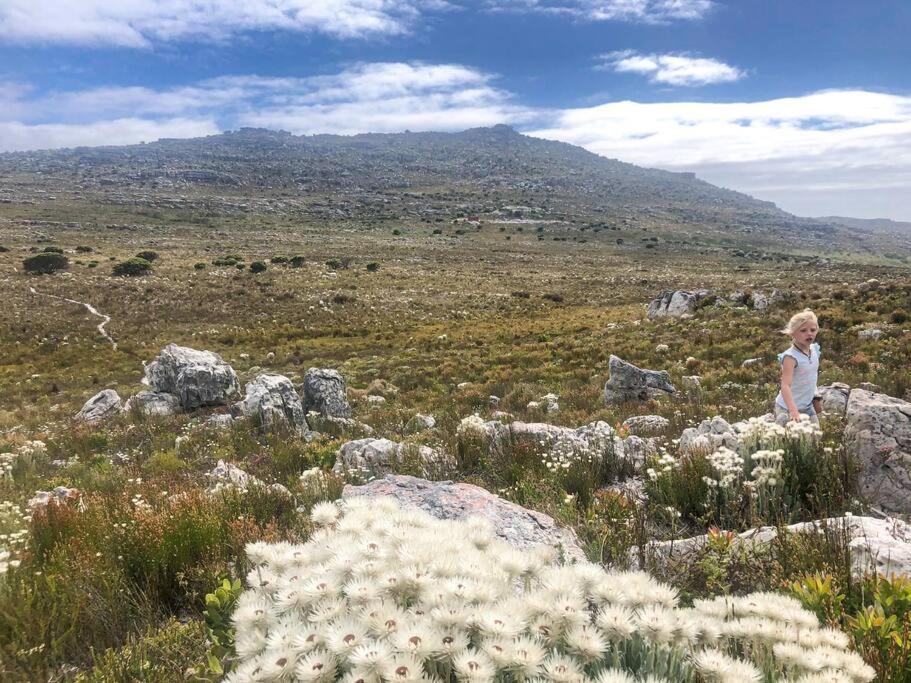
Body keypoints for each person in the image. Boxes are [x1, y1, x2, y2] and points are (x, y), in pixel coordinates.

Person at [774, 309, 821, 424]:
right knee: (788, 440)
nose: (809, 333)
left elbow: (812, 377)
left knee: (815, 438)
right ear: (792, 333)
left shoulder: (814, 350)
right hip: (787, 409)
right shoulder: (790, 357)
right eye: (803, 330)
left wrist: (816, 398)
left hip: (807, 407)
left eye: (813, 330)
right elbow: (785, 386)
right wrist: (793, 410)